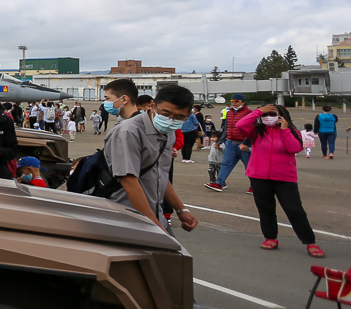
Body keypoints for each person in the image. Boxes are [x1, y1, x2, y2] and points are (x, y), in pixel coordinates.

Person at [100, 79, 197, 235]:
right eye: (166, 114)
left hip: (154, 215)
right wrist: (155, 227)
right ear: (152, 105)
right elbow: (128, 180)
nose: (170, 120)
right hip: (127, 218)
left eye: (179, 117)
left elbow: (160, 175)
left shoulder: (168, 133)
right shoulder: (129, 132)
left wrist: (180, 208)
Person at [235, 104, 320, 256]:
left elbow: (294, 148)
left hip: (284, 177)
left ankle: (310, 241)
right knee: (266, 209)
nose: (269, 117)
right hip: (259, 176)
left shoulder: (292, 131)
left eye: (273, 114)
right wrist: (259, 112)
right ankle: (270, 237)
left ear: (282, 116)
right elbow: (240, 124)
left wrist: (285, 130)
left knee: (294, 209)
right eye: (266, 115)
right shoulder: (256, 131)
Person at [206, 94, 254, 192]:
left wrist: (246, 143)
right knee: (226, 163)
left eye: (237, 101)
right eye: (232, 101)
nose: (234, 103)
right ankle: (219, 183)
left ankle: (254, 186)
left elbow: (252, 129)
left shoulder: (249, 113)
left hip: (244, 144)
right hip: (231, 143)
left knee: (249, 166)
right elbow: (226, 129)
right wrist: (219, 142)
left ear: (243, 102)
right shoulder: (229, 113)